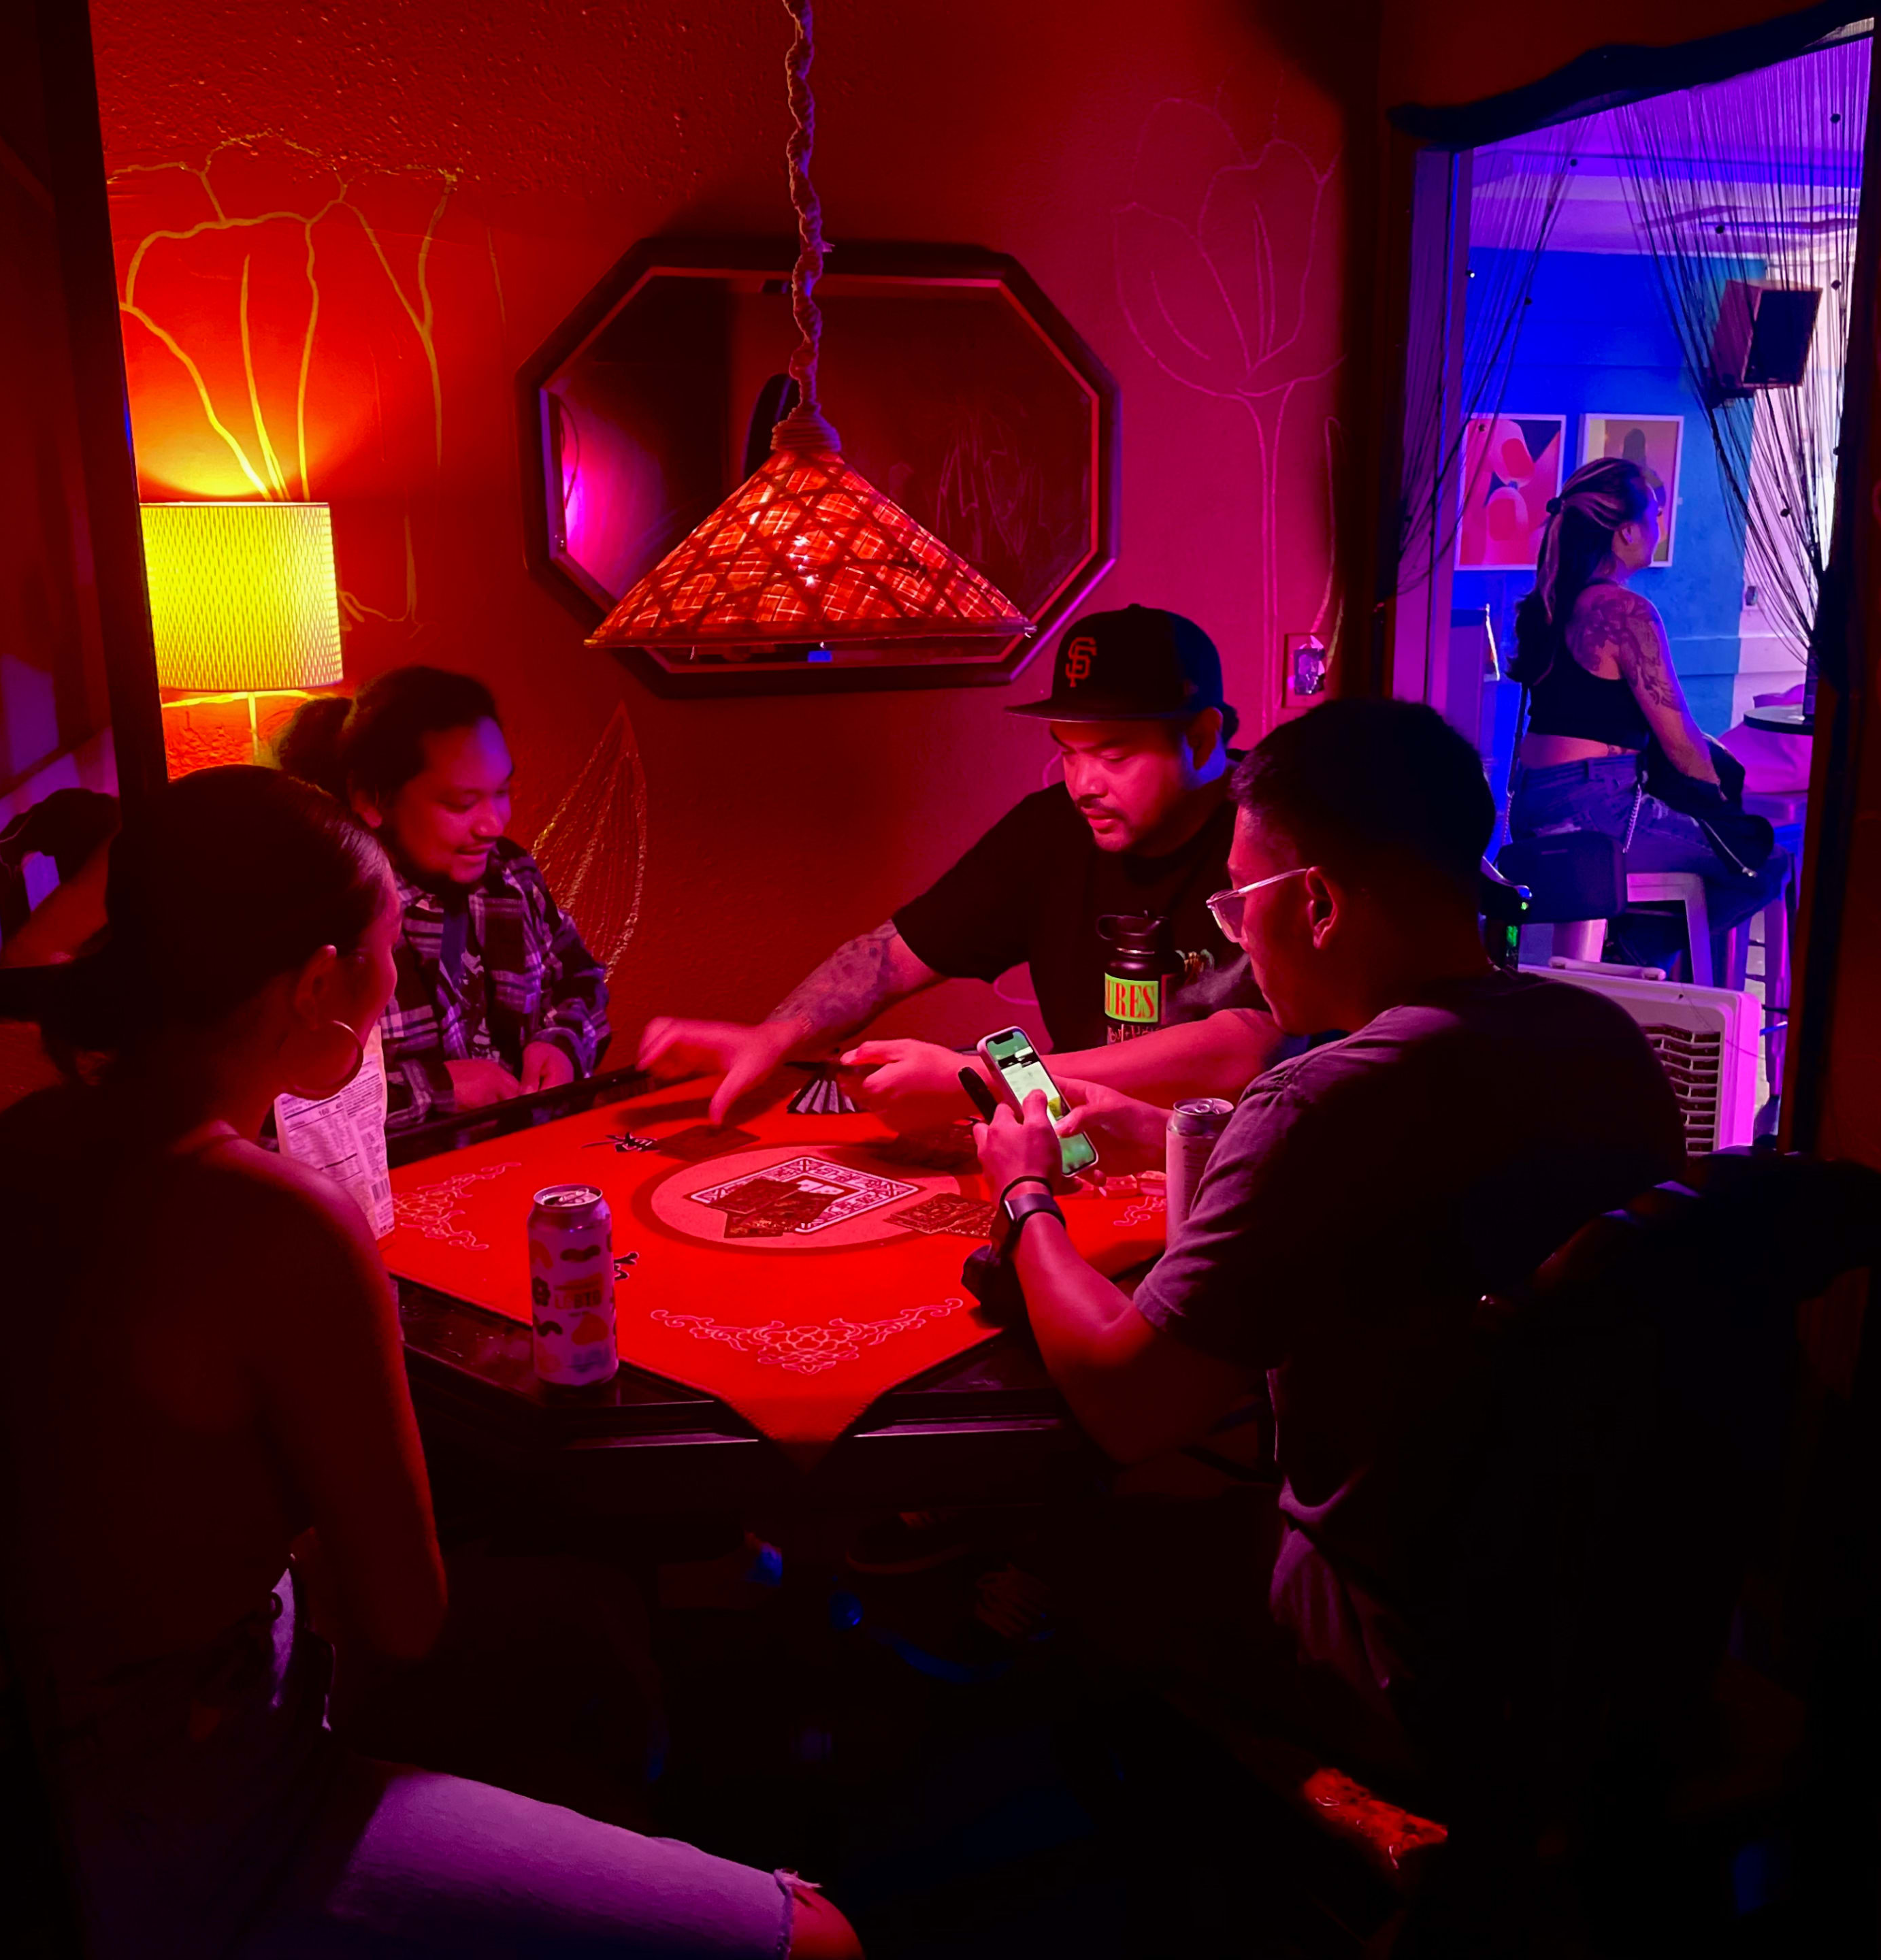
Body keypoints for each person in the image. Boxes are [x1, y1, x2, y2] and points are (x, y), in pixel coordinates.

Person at [0, 768, 857, 1959]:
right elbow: (408, 1616)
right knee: (818, 1934)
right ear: (320, 982)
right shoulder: (277, 1222)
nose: (393, 994)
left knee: (580, 1631)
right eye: (385, 960)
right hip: (203, 1829)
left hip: (4, 1801)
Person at [970, 699, 1683, 1735]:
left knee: (1048, 1550)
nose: (1234, 938)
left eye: (1234, 905)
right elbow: (1418, 1222)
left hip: (1401, 1653)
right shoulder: (1601, 1041)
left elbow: (1128, 1406)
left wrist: (1024, 1191)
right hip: (1615, 1619)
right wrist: (1185, 1138)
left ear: (1315, 905)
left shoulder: (1320, 1101)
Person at [640, 604, 1279, 1129]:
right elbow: (888, 959)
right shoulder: (1051, 826)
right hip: (1081, 1145)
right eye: (1068, 752)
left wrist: (986, 1078)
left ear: (1200, 738)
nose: (1082, 784)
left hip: (1237, 1163)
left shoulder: (1272, 830)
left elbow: (1245, 1048)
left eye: (1113, 756)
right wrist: (777, 1035)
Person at [280, 667, 610, 1129]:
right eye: (460, 804)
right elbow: (280, 1114)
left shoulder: (509, 877)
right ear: (371, 799)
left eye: (502, 792)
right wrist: (435, 1090)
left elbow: (582, 981)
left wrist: (561, 1043)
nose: (492, 825)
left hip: (531, 1166)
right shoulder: (326, 917)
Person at [1503, 456, 1786, 968]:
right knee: (1765, 862)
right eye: (1655, 513)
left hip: (1530, 804)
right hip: (1599, 810)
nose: (1660, 526)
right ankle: (1625, 956)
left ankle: (1614, 950)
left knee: (1726, 849)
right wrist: (1719, 801)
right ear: (1627, 532)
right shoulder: (1623, 612)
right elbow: (1679, 741)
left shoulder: (1549, 603)